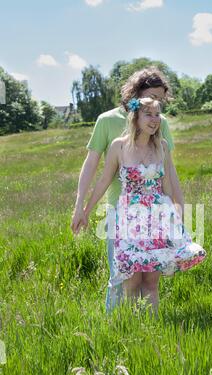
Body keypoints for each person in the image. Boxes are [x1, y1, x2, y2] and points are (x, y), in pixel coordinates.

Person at [71, 67, 184, 312]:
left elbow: (169, 170)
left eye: (160, 102)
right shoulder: (107, 121)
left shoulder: (159, 123)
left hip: (153, 215)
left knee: (149, 279)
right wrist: (80, 206)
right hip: (119, 211)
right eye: (152, 97)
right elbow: (92, 166)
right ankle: (116, 329)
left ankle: (146, 331)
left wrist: (179, 206)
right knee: (121, 277)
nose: (156, 106)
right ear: (137, 94)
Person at [82, 97, 207, 316]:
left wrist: (178, 219)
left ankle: (153, 331)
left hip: (159, 219)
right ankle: (132, 332)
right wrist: (85, 210)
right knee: (131, 283)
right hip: (130, 220)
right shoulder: (118, 146)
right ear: (135, 117)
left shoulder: (162, 146)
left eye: (157, 114)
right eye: (148, 114)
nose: (154, 119)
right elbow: (103, 181)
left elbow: (167, 186)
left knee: (151, 283)